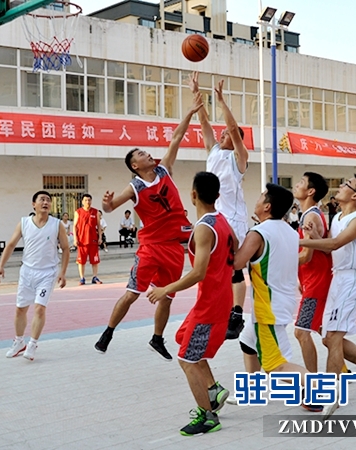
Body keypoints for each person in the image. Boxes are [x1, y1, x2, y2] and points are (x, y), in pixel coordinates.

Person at [94, 93, 202, 360]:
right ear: (135, 165)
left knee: (167, 296)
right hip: (151, 248)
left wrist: (190, 112)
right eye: (141, 153)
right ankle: (108, 332)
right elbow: (111, 207)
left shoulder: (165, 170)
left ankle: (157, 338)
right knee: (132, 293)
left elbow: (176, 138)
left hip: (174, 247)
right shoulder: (135, 186)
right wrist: (106, 203)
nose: (148, 154)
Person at [147, 172, 236, 436]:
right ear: (217, 196)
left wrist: (166, 289)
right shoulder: (222, 221)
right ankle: (213, 390)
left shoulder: (204, 228)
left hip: (211, 305)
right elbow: (236, 250)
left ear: (193, 194)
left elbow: (198, 272)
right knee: (182, 337)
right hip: (217, 299)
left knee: (186, 359)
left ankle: (207, 417)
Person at [300, 174, 356, 419]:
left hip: (351, 281)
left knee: (333, 338)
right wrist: (314, 238)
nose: (340, 186)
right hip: (337, 279)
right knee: (328, 339)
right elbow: (329, 245)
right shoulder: (337, 216)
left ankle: (329, 394)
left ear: (355, 195)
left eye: (346, 184)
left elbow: (335, 244)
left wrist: (294, 242)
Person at [233, 183, 322, 413]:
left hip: (268, 308)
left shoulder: (259, 233)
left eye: (261, 196)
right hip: (281, 302)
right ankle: (252, 390)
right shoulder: (290, 232)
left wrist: (230, 238)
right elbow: (297, 259)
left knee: (274, 366)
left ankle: (319, 389)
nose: (257, 199)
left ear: (267, 206)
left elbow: (236, 263)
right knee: (247, 341)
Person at [189, 71, 249, 341]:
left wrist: (222, 101)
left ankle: (237, 314)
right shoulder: (213, 151)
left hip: (233, 219)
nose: (223, 133)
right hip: (213, 217)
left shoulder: (239, 158)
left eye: (226, 133)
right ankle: (219, 311)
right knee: (215, 269)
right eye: (221, 132)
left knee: (234, 267)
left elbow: (234, 129)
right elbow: (203, 122)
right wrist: (196, 93)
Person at [0, 191, 70, 361]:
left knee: (39, 308)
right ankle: (18, 342)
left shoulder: (57, 224)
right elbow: (11, 244)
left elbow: (66, 248)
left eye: (48, 200)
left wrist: (63, 272)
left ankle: (32, 344)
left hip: (47, 272)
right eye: (42, 199)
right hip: (27, 272)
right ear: (33, 204)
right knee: (20, 309)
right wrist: (1, 266)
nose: (46, 202)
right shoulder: (24, 223)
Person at [293, 173, 332, 373]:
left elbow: (306, 255)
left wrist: (279, 261)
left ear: (310, 191)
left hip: (316, 281)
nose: (296, 184)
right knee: (325, 332)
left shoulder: (310, 216)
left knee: (301, 332)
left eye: (301, 182)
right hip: (313, 279)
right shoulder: (310, 214)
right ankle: (348, 367)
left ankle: (313, 381)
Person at [73, 194, 103, 285]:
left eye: (89, 200)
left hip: (93, 240)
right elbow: (74, 226)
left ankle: (95, 277)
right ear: (82, 201)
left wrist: (100, 237)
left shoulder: (95, 212)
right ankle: (82, 278)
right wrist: (75, 238)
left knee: (95, 260)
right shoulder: (78, 212)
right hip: (82, 240)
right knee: (81, 261)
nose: (87, 202)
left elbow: (99, 226)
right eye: (85, 200)